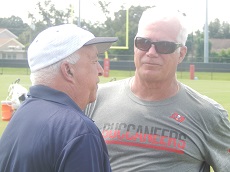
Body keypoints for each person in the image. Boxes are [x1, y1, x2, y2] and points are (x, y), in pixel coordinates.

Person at [85, 7, 230, 172]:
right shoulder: (94, 99)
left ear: (181, 54)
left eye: (164, 46)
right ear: (135, 46)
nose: (151, 52)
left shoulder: (208, 114)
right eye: (143, 43)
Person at [0, 24, 117, 172]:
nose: (100, 70)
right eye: (94, 61)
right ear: (68, 70)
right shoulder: (78, 131)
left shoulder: (20, 115)